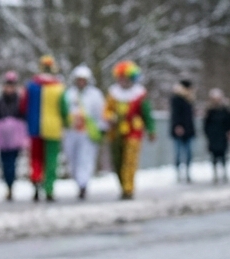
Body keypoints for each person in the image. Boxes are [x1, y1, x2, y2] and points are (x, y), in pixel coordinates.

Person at [103, 60, 154, 200]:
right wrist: (109, 117)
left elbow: (147, 114)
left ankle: (128, 188)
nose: (122, 81)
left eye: (125, 78)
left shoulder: (139, 95)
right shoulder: (113, 94)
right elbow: (106, 111)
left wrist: (151, 130)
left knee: (130, 161)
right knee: (118, 162)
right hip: (115, 134)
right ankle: (123, 185)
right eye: (120, 78)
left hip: (133, 132)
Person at [22, 55, 65, 202]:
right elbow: (64, 108)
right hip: (53, 128)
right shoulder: (58, 87)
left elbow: (23, 106)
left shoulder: (32, 86)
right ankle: (49, 188)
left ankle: (36, 181)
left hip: (34, 127)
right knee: (51, 158)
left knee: (36, 158)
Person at [62, 65, 104, 200]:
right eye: (78, 79)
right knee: (73, 160)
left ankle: (83, 185)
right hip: (72, 133)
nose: (81, 82)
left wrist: (101, 128)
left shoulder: (95, 95)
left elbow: (101, 114)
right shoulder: (69, 94)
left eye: (83, 79)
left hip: (87, 133)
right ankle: (78, 182)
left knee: (85, 159)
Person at [0, 72, 29, 201]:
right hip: (2, 138)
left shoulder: (20, 100)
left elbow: (24, 115)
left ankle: (11, 184)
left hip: (15, 137)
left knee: (13, 162)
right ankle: (8, 184)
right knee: (5, 162)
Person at [170, 79, 196, 183]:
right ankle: (178, 174)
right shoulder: (177, 98)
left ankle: (187, 173)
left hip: (188, 130)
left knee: (188, 154)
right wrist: (178, 126)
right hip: (179, 131)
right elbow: (175, 114)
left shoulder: (189, 99)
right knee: (178, 154)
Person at [203, 89, 230, 183]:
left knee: (223, 155)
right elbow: (205, 124)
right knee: (214, 156)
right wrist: (208, 134)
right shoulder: (209, 110)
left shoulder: (225, 109)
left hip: (223, 136)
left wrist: (229, 132)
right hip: (213, 136)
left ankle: (224, 173)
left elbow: (229, 122)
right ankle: (215, 174)